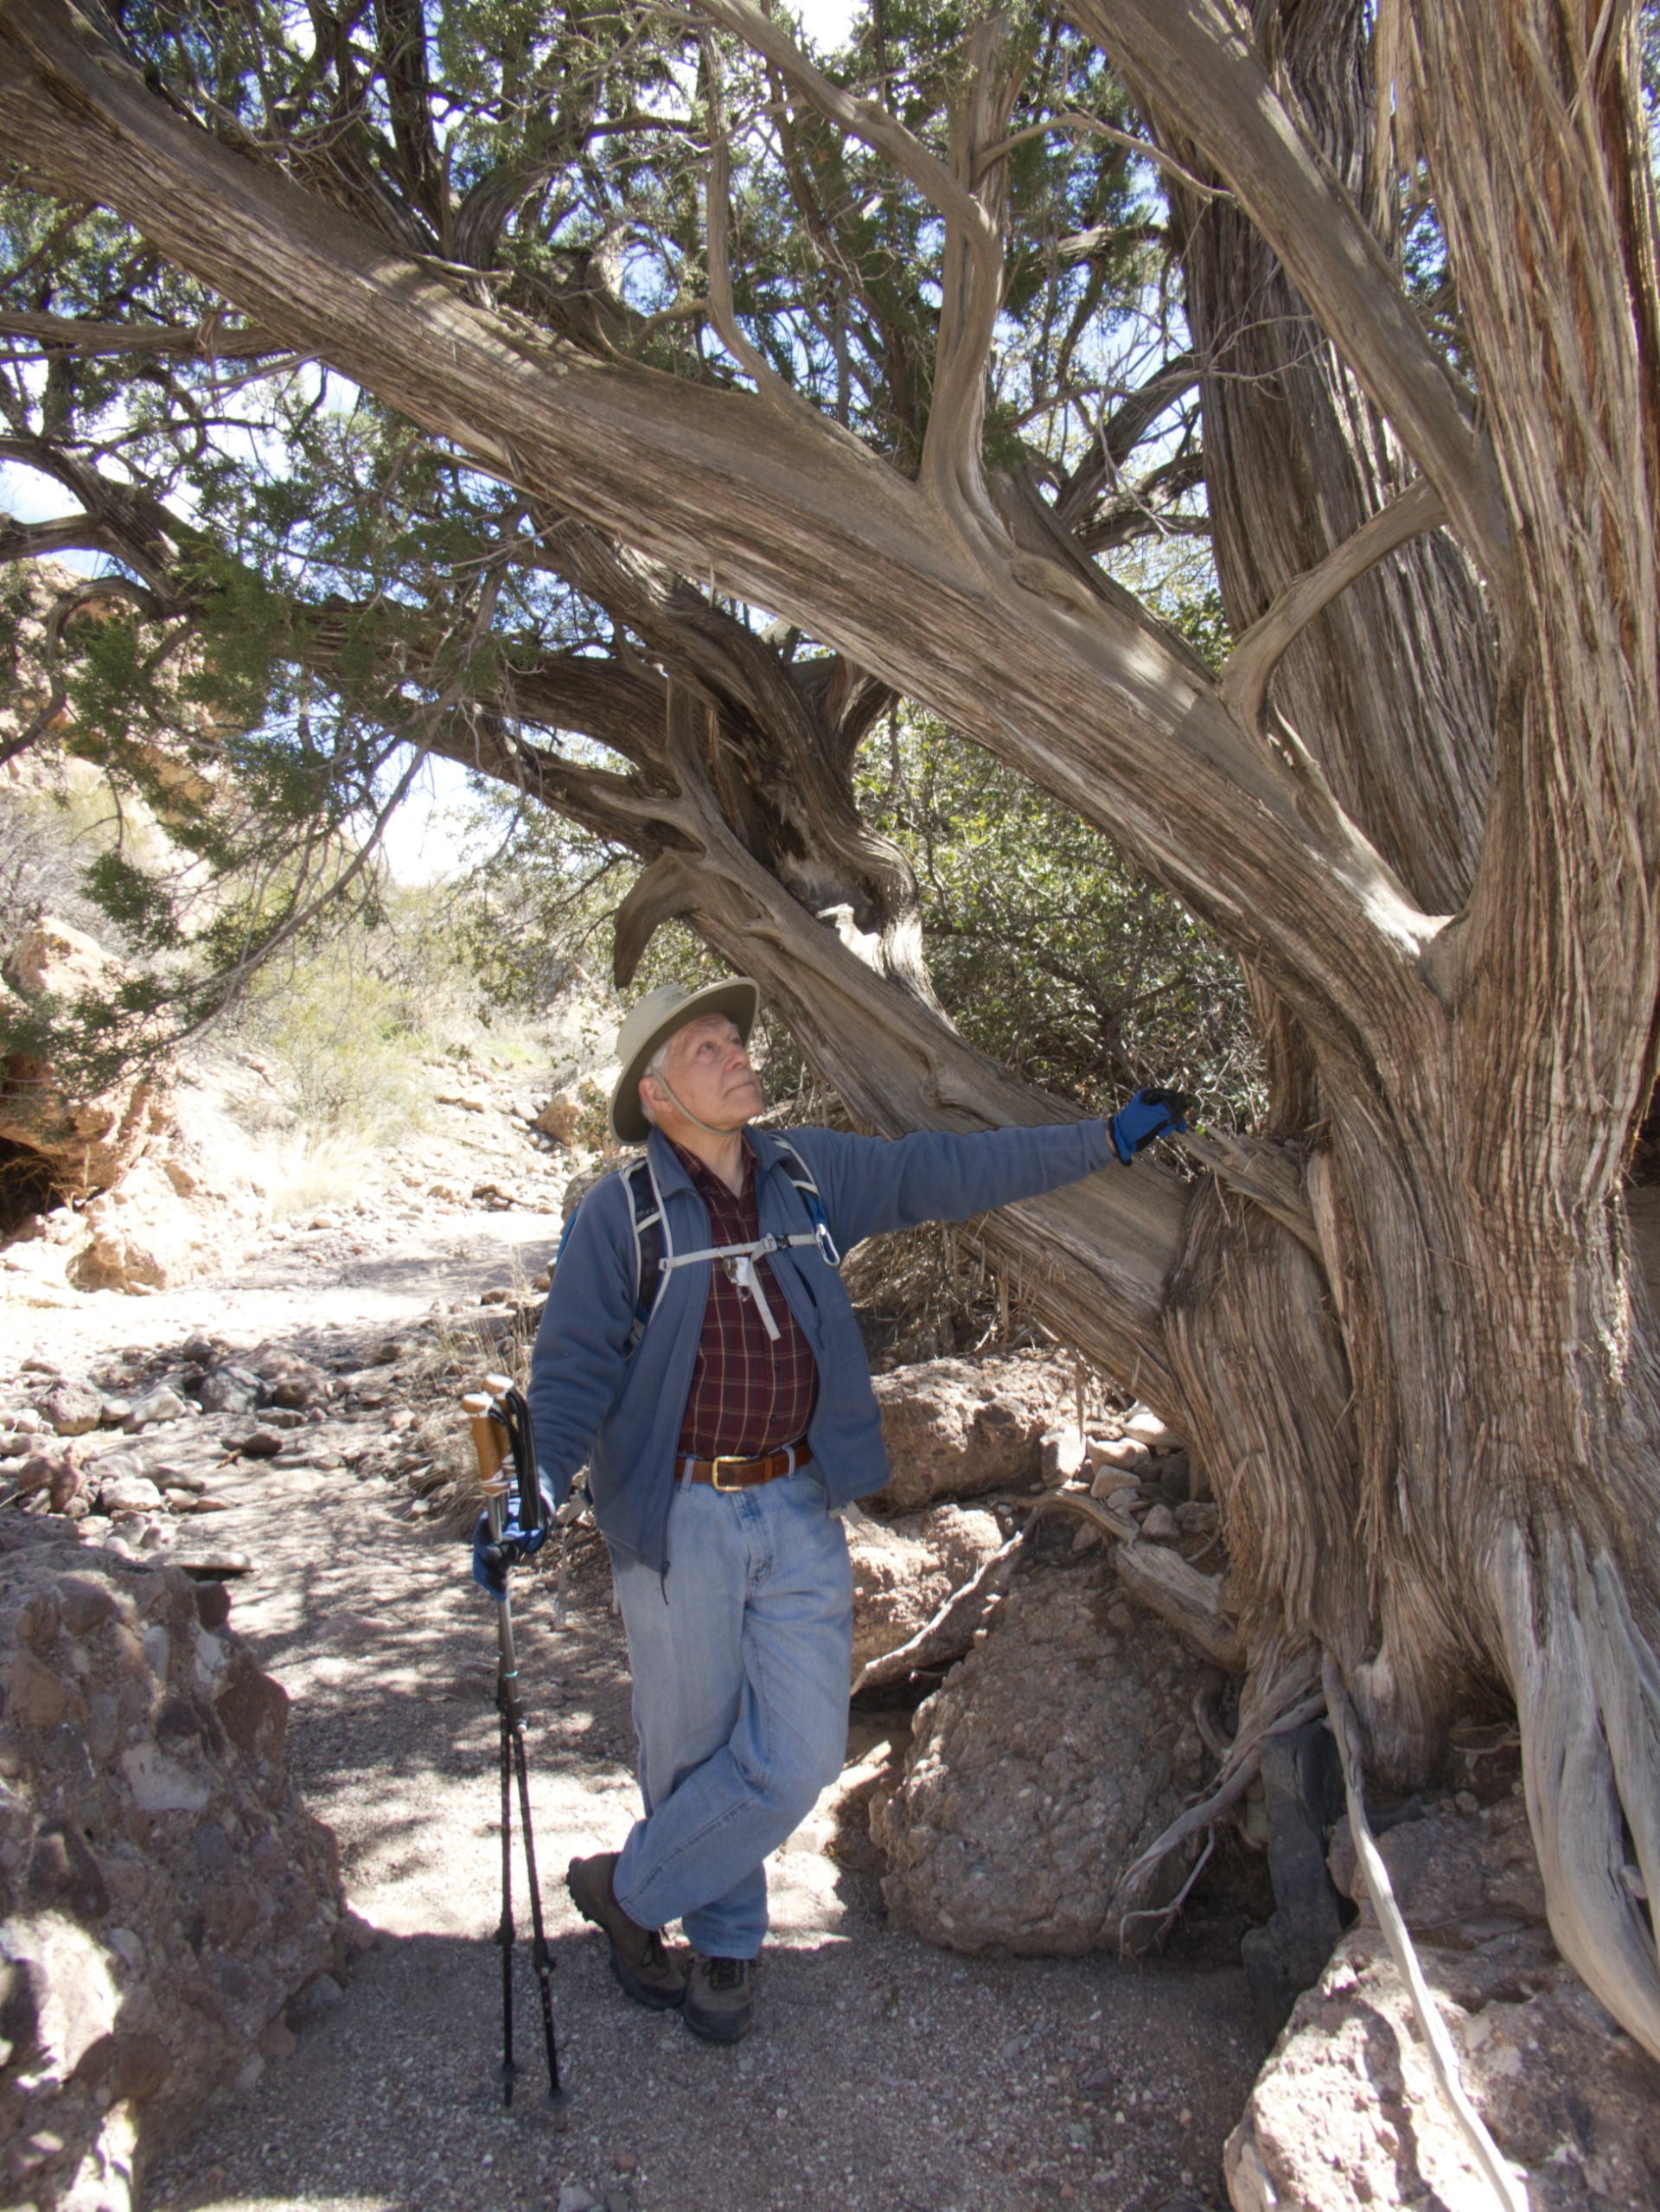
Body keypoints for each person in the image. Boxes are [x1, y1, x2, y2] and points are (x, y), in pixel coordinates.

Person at [508, 977, 1185, 2044]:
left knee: (799, 1753)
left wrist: (1104, 1137)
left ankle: (628, 1892)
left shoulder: (805, 1175)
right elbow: (572, 1371)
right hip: (678, 1519)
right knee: (690, 1751)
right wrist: (538, 1486)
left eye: (737, 1039)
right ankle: (726, 1945)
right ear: (657, 1093)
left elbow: (946, 1169)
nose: (737, 1055)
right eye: (706, 1048)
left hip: (795, 1500)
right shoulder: (621, 1213)